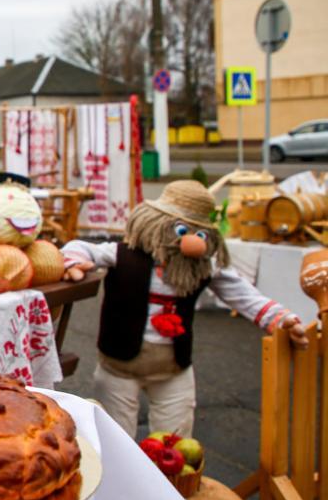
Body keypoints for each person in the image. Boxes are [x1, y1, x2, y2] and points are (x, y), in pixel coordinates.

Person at [61, 180, 305, 439]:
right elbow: (83, 247)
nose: (193, 242)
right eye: (181, 229)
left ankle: (171, 481)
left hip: (173, 370)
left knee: (175, 442)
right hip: (118, 368)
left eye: (200, 235)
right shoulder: (123, 254)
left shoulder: (203, 266)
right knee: (115, 441)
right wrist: (72, 260)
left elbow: (243, 295)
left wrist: (280, 318)